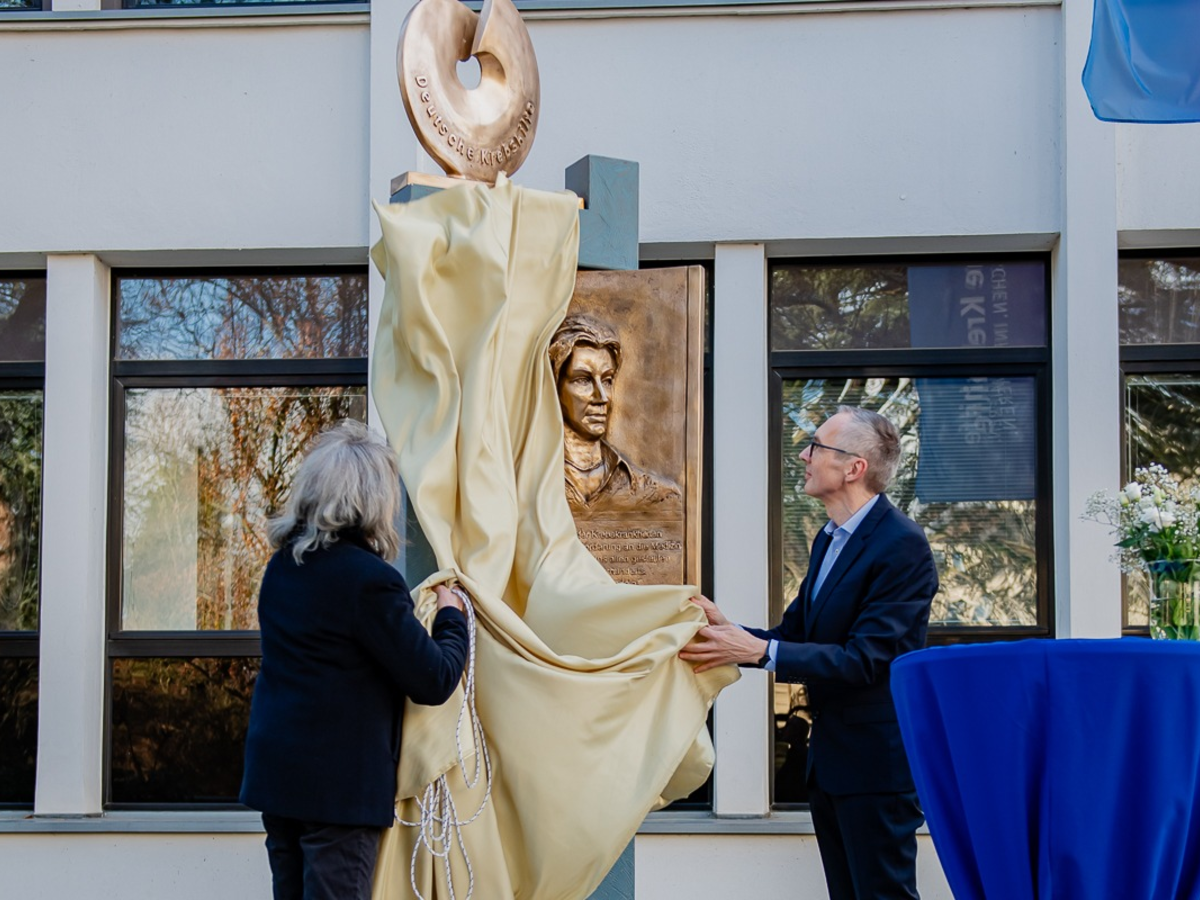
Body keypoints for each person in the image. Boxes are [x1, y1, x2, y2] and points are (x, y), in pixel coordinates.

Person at [680, 406, 938, 900]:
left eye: (817, 446)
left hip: (875, 770)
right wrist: (725, 633)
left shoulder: (902, 545)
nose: (804, 454)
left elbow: (865, 660)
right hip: (831, 765)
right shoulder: (828, 539)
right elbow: (795, 634)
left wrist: (759, 651)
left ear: (854, 467)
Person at [239, 420, 470, 900]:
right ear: (372, 500)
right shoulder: (370, 581)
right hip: (338, 794)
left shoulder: (282, 568)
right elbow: (433, 678)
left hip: (278, 779)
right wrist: (452, 617)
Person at [548, 314, 681, 514]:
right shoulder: (529, 485)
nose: (602, 397)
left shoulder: (657, 495)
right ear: (555, 386)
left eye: (607, 380)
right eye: (583, 380)